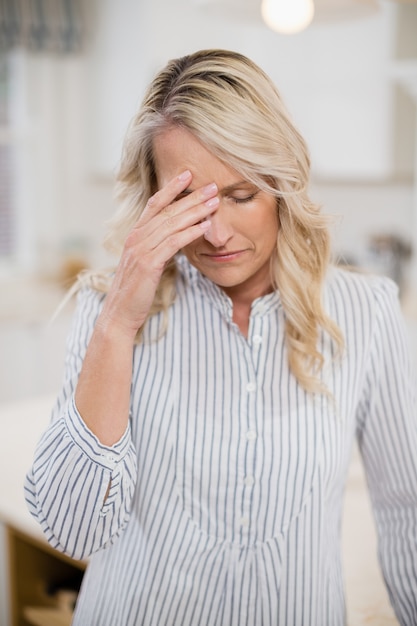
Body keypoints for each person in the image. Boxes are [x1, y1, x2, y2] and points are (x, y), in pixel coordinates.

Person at [25, 49, 417, 626]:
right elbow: (73, 528)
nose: (215, 233)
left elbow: (406, 510)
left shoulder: (369, 313)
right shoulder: (108, 310)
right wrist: (116, 326)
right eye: (188, 201)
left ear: (282, 184)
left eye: (240, 196)